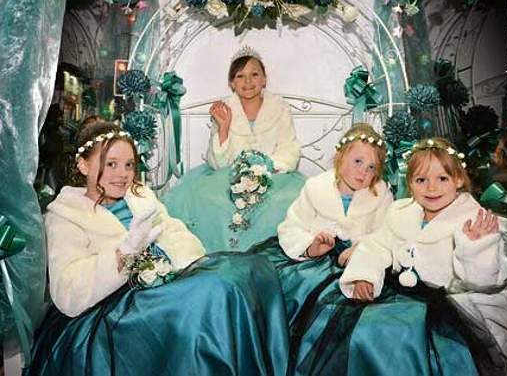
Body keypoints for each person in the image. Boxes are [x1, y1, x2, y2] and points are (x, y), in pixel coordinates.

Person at [27, 121, 289, 375]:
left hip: (165, 282)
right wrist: (124, 254)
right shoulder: (66, 215)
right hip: (115, 307)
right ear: (83, 165)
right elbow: (69, 293)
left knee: (246, 271)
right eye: (111, 164)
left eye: (129, 164)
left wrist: (173, 264)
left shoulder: (139, 197)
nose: (122, 174)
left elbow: (178, 235)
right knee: (214, 291)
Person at [286, 137, 507, 375]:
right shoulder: (401, 212)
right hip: (403, 295)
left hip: (450, 305)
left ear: (458, 179)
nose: (431, 188)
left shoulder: (473, 220)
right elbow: (376, 246)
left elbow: (484, 280)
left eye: (442, 178)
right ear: (410, 184)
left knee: (398, 337)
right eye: (421, 180)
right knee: (362, 329)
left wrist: (476, 247)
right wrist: (364, 276)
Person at [164, 46, 305, 252]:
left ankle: (267, 255)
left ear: (264, 79)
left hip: (275, 174)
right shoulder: (224, 109)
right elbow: (218, 162)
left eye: (254, 74)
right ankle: (224, 255)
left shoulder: (280, 107)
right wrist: (224, 127)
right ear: (232, 83)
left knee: (287, 200)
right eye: (240, 76)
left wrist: (265, 168)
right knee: (208, 199)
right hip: (229, 175)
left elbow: (289, 147)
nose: (248, 82)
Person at [251, 123, 393, 327]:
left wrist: (360, 254)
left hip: (360, 263)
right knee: (303, 287)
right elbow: (291, 227)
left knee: (366, 311)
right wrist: (311, 246)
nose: (363, 172)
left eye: (371, 168)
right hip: (314, 262)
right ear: (339, 157)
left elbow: (385, 237)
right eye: (358, 161)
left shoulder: (380, 194)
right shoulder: (316, 188)